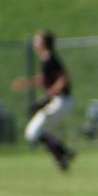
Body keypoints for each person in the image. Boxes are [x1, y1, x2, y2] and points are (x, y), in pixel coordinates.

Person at [10, 29, 76, 172]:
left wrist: (50, 93)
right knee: (37, 130)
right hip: (60, 101)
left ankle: (63, 154)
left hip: (61, 101)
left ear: (44, 43)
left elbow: (64, 78)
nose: (35, 43)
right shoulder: (47, 59)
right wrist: (25, 84)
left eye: (37, 40)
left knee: (33, 131)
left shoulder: (51, 58)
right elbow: (42, 79)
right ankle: (63, 155)